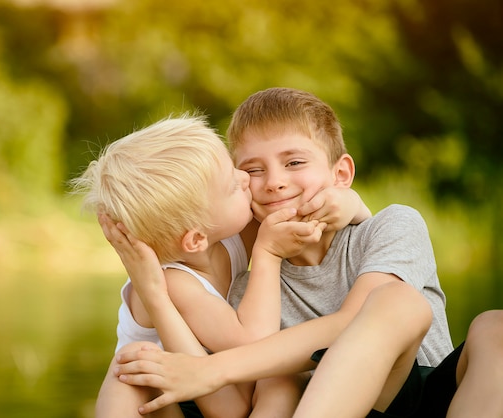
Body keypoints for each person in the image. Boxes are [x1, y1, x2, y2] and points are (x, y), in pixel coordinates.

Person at [111, 88, 503, 417]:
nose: (276, 183)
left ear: (341, 175)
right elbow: (179, 214)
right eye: (254, 171)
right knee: (132, 364)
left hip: (413, 391)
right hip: (326, 404)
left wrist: (211, 370)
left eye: (295, 162)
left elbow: (356, 319)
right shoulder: (250, 286)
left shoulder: (393, 225)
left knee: (487, 324)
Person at [72, 113, 373, 417]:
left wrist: (350, 202)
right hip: (172, 402)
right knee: (130, 365)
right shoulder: (176, 283)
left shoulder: (225, 235)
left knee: (282, 379)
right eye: (232, 185)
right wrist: (266, 253)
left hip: (220, 386)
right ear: (196, 239)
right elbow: (252, 354)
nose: (246, 178)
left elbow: (303, 209)